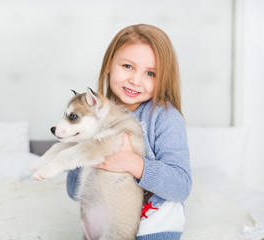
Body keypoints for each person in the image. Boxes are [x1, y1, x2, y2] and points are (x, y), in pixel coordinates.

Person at [66, 24, 192, 240]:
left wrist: (133, 163)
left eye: (151, 73)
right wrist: (83, 150)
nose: (135, 80)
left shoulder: (165, 118)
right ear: (108, 65)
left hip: (154, 227)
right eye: (127, 66)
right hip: (105, 226)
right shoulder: (92, 115)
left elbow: (181, 187)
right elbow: (73, 191)